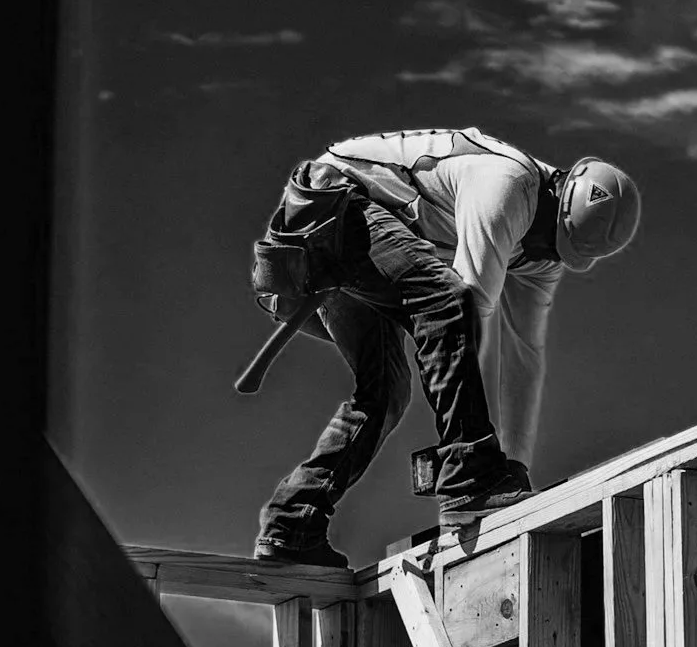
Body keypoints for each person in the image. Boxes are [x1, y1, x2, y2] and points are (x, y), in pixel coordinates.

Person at [250, 126, 640, 567]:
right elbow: (464, 308)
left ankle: (293, 522)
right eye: (549, 240)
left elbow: (524, 359)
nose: (542, 253)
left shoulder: (541, 256)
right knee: (446, 301)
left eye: (557, 251)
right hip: (331, 208)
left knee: (385, 392)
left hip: (357, 239)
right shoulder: (508, 184)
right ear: (556, 195)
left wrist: (514, 466)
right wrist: (477, 464)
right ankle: (469, 475)